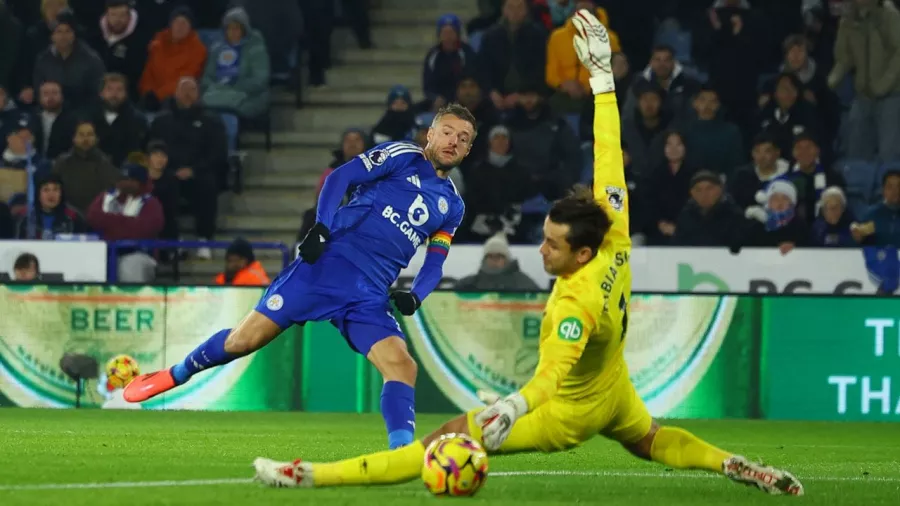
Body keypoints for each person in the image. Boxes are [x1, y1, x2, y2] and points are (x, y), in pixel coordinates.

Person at [250, 11, 804, 497]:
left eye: (553, 245)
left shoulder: (574, 304)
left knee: (440, 443)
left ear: (580, 252)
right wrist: (604, 81)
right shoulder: (616, 236)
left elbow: (547, 382)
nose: (541, 249)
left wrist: (510, 409)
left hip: (568, 414)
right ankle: (730, 463)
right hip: (617, 392)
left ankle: (309, 477)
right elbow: (610, 155)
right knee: (651, 438)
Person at [124, 104, 475, 452]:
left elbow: (435, 261)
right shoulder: (402, 155)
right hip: (326, 267)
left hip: (370, 292)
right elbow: (341, 177)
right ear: (430, 133)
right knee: (242, 342)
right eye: (447, 132)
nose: (453, 142)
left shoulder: (453, 206)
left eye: (463, 138)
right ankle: (175, 374)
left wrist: (416, 296)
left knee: (402, 366)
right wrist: (321, 226)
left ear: (469, 149)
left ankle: (401, 455)